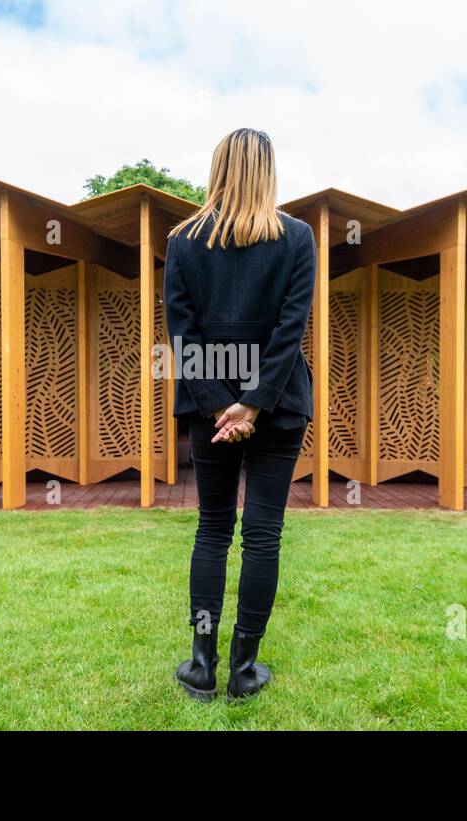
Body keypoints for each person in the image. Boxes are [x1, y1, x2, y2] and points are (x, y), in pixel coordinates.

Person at [164, 128, 315, 701]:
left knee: (212, 529)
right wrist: (252, 401)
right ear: (268, 170)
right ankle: (243, 670)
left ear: (218, 166)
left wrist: (218, 404)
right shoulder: (298, 237)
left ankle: (202, 666)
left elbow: (184, 333)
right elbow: (289, 328)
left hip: (211, 410)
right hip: (277, 405)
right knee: (263, 535)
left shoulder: (182, 240)